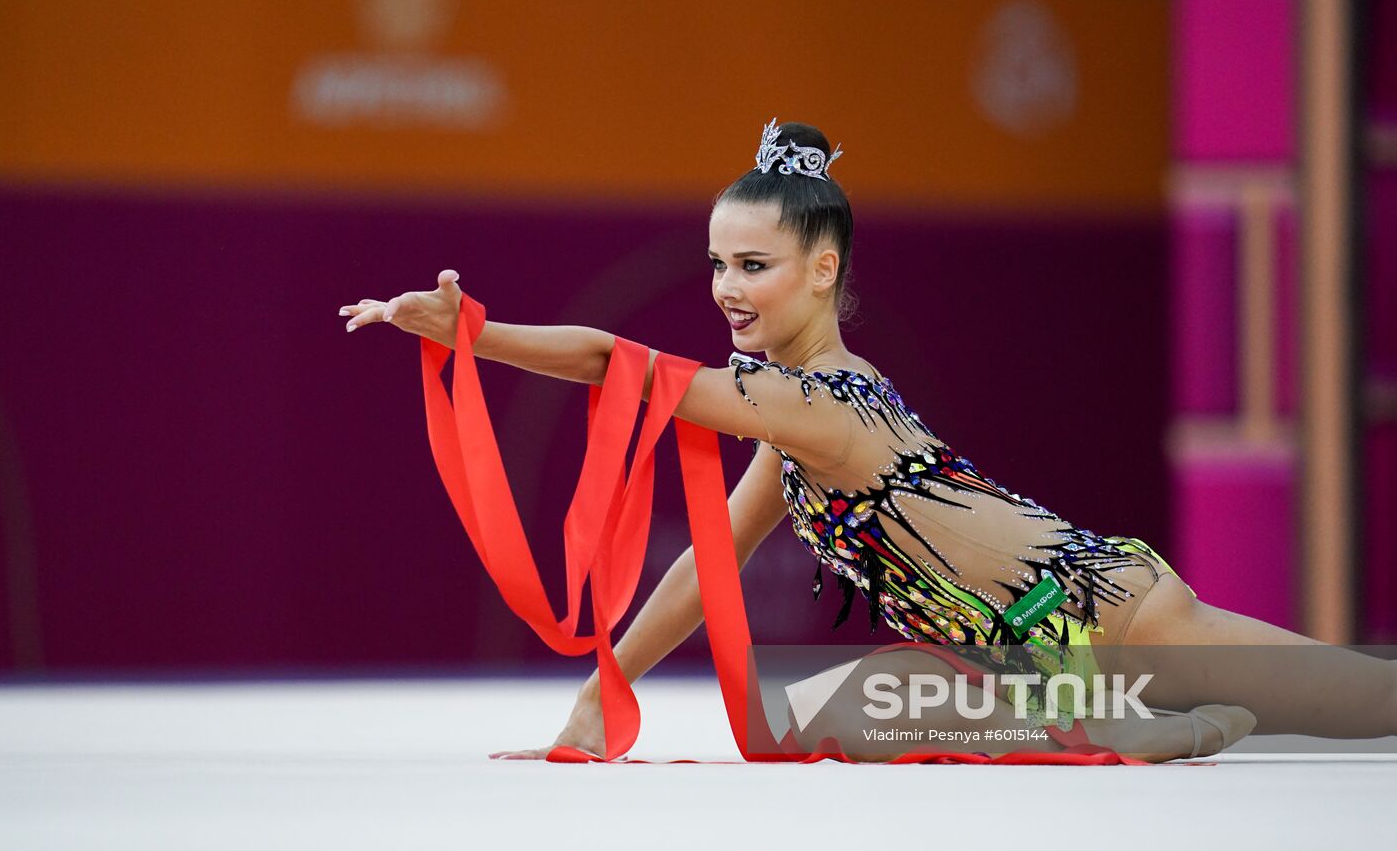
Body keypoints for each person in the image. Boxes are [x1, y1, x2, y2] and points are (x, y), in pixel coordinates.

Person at [339, 118, 1395, 763]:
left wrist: (473, 332)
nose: (724, 290)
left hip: (1102, 617)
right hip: (1033, 662)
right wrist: (591, 704)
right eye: (716, 264)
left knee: (1377, 705)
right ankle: (1114, 727)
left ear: (822, 268)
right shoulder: (787, 414)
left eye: (752, 266)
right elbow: (706, 572)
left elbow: (607, 366)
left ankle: (1125, 726)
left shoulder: (824, 403)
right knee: (820, 710)